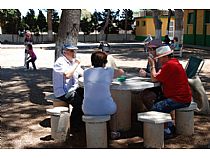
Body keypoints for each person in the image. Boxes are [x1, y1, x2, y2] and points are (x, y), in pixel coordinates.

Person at [148, 45, 192, 137]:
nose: (159, 60)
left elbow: (154, 78)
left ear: (165, 57)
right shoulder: (174, 63)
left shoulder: (169, 65)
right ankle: (169, 126)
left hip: (179, 99)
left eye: (159, 58)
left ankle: (166, 131)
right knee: (158, 102)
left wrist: (152, 65)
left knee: (156, 108)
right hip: (182, 96)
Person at [53, 44, 84, 130]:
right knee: (80, 103)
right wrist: (77, 63)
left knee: (87, 96)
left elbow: (83, 73)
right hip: (63, 92)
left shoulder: (72, 62)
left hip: (73, 89)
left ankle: (81, 122)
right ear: (65, 52)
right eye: (71, 51)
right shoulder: (60, 62)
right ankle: (74, 126)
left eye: (74, 51)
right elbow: (67, 75)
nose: (74, 53)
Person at [82, 51, 124, 115]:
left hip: (87, 109)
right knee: (117, 103)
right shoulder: (108, 71)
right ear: (105, 62)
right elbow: (121, 72)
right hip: (107, 108)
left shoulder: (86, 72)